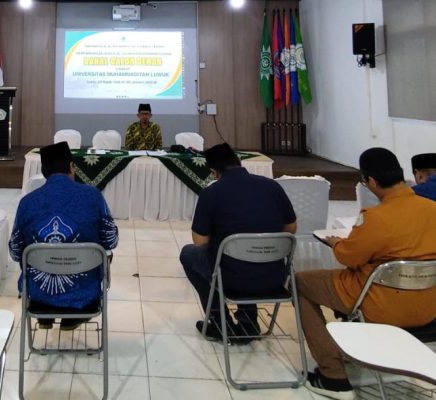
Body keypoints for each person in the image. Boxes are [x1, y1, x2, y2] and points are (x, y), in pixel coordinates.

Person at [296, 148, 436, 400]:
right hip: (427, 306)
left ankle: (333, 376)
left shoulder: (377, 217)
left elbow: (348, 258)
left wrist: (336, 243)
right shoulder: (431, 209)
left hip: (380, 303)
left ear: (371, 181)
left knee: (299, 282)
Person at [179, 143, 297, 344]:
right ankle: (247, 322)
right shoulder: (272, 186)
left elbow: (200, 242)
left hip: (231, 278)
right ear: (239, 162)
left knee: (188, 254)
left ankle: (218, 321)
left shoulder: (212, 193)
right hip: (275, 277)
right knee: (247, 257)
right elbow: (291, 229)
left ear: (214, 172)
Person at [9, 141, 118, 331]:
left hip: (38, 296)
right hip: (85, 297)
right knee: (102, 253)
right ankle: (72, 317)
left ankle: (46, 317)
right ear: (71, 167)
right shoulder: (93, 196)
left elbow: (16, 252)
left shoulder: (27, 203)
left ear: (44, 172)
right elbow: (111, 240)